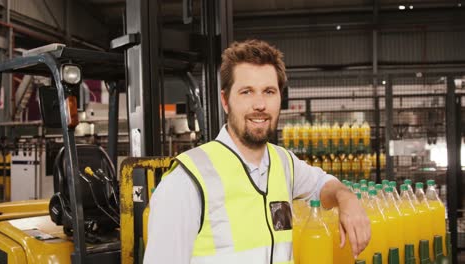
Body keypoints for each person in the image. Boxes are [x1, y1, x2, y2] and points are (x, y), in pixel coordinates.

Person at [143, 39, 370, 264]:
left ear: (281, 98)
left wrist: (346, 197)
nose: (259, 104)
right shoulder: (186, 181)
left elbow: (322, 184)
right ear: (225, 101)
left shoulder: (283, 163)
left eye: (269, 91)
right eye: (246, 92)